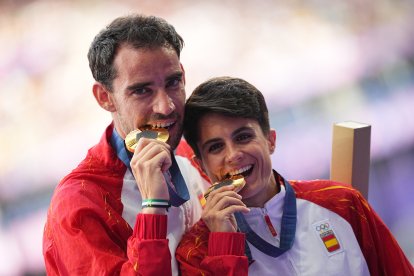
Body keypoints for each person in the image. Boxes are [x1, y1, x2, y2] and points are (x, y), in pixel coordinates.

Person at [175, 77, 414, 275]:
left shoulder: (342, 202)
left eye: (243, 137)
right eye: (215, 147)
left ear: (270, 140)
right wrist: (224, 246)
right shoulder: (195, 251)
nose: (233, 155)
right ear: (201, 165)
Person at [42, 14, 210, 275]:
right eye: (142, 90)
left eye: (173, 82)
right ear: (104, 98)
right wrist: (153, 207)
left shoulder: (195, 154)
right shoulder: (79, 204)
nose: (166, 106)